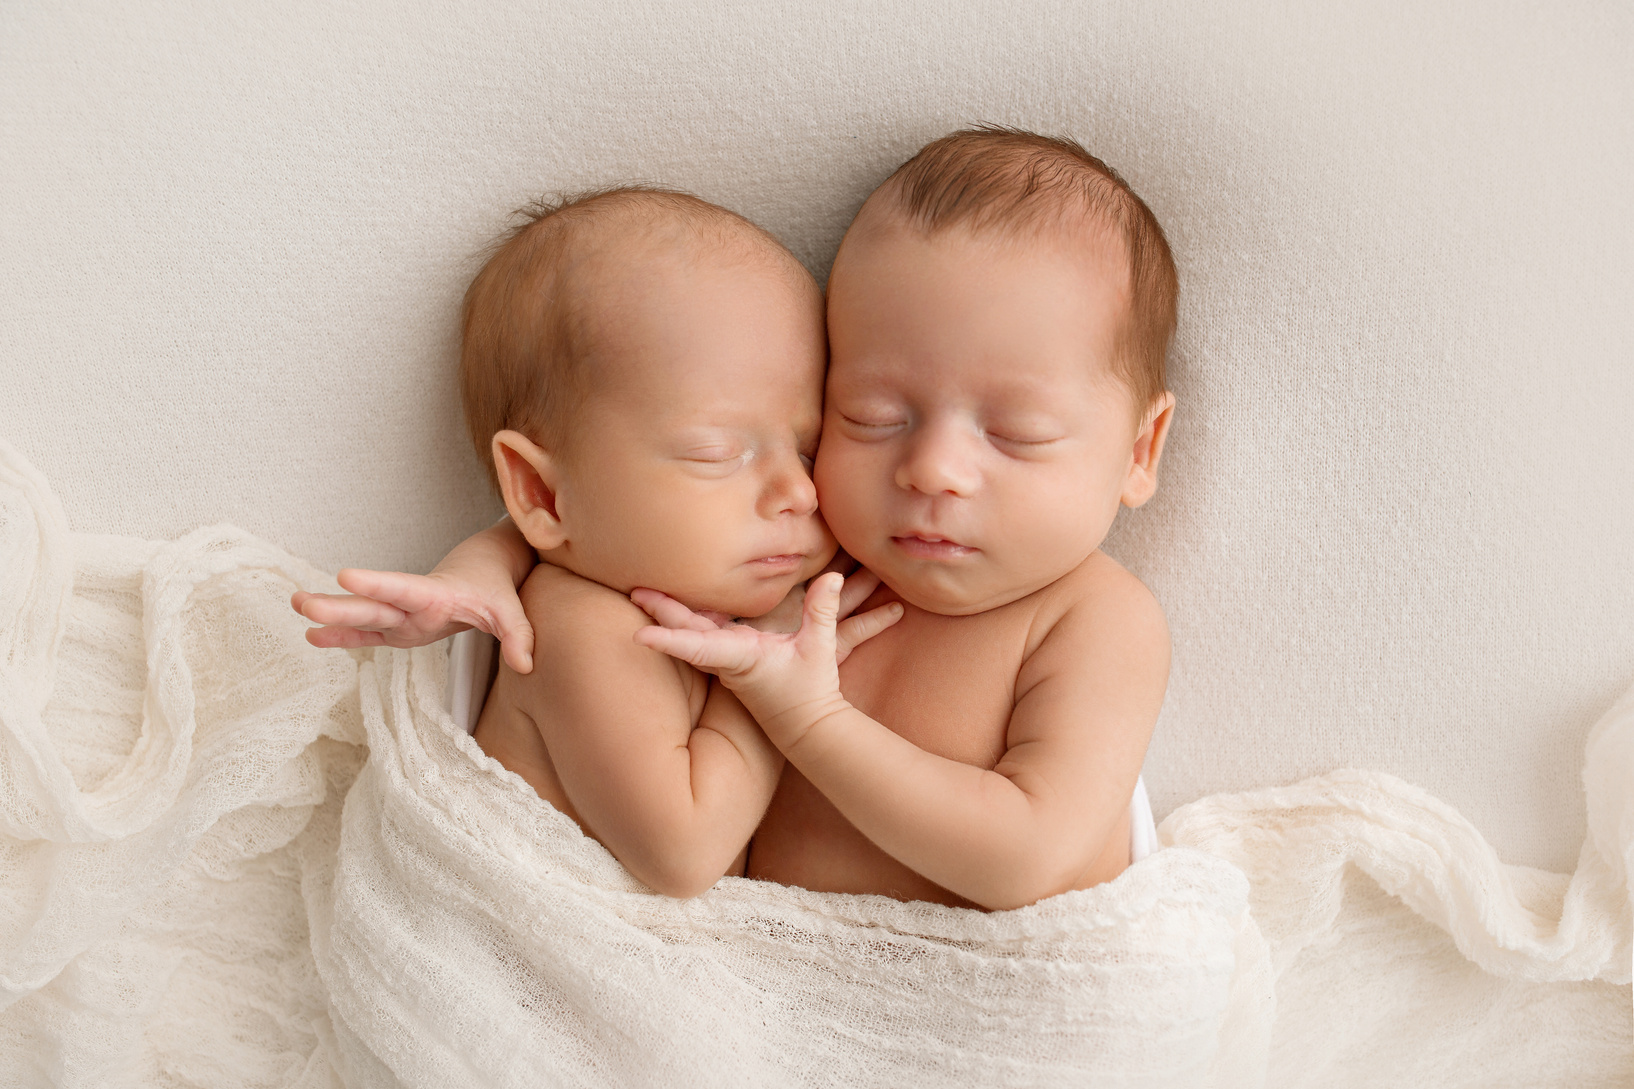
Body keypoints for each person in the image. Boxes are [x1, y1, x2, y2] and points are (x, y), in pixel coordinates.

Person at [300, 127, 1176, 911]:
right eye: (870, 417)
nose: (932, 470)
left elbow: (1025, 857)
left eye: (1017, 433)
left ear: (1140, 451)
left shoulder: (1093, 618)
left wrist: (808, 717)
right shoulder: (810, 557)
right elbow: (590, 538)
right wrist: (477, 570)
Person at [292, 186, 898, 898]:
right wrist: (772, 672)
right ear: (544, 496)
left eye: (808, 447)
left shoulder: (688, 570)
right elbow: (684, 852)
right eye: (715, 453)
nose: (798, 493)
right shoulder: (586, 628)